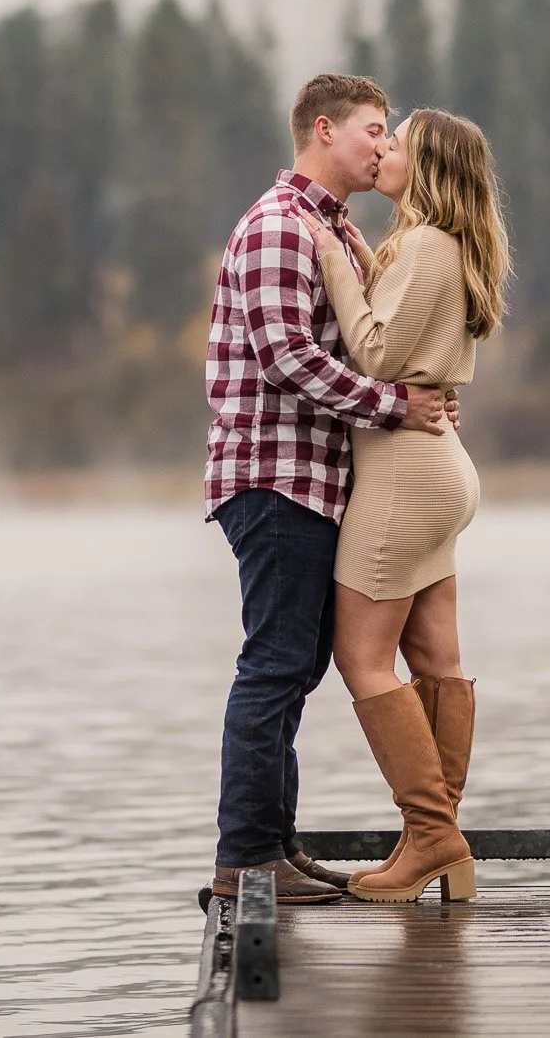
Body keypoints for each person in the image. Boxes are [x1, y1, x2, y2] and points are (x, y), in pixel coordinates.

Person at [205, 73, 459, 905]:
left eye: (388, 133)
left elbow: (366, 343)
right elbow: (288, 358)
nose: (383, 145)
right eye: (372, 129)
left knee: (295, 665)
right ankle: (248, 858)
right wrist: (396, 404)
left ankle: (274, 847)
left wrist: (423, 387)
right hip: (275, 477)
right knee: (276, 664)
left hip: (316, 481)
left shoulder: (338, 232)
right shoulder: (280, 226)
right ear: (323, 129)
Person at [302, 107, 510, 904]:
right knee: (436, 660)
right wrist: (361, 256)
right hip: (439, 469)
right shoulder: (443, 244)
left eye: (398, 140)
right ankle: (438, 841)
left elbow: (379, 353)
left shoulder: (425, 244)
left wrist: (331, 257)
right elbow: (410, 342)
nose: (384, 148)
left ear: (426, 166)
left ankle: (430, 835)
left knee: (361, 658)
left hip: (402, 475)